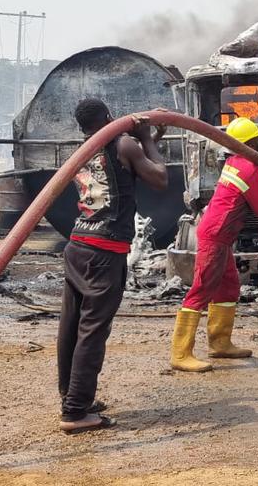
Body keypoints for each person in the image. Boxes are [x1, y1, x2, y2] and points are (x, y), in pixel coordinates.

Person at [58, 99, 168, 433]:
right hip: (104, 253)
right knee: (93, 330)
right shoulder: (124, 143)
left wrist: (149, 140)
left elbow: (118, 171)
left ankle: (72, 396)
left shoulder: (83, 148)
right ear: (109, 117)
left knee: (72, 326)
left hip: (78, 244)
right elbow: (160, 178)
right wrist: (146, 138)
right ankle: (76, 412)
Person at [170, 117, 258, 372]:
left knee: (228, 288)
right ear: (248, 144)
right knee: (201, 290)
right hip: (216, 236)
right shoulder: (250, 169)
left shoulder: (235, 160)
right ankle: (181, 353)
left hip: (220, 235)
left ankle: (220, 343)